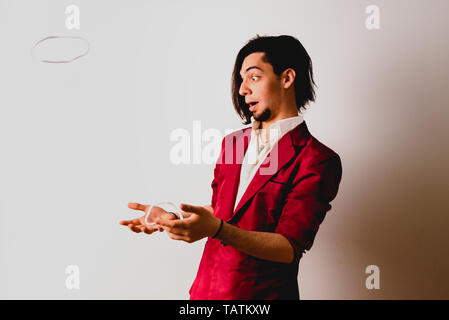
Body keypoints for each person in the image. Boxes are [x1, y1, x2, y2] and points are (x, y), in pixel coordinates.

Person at [119, 35, 342, 300]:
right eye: (241, 80)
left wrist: (216, 229)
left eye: (254, 77)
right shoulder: (233, 143)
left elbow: (288, 247)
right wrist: (173, 217)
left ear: (287, 78)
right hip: (205, 294)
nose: (242, 90)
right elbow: (226, 212)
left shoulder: (317, 158)